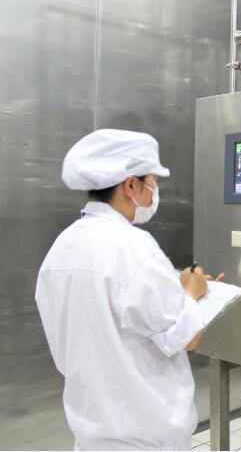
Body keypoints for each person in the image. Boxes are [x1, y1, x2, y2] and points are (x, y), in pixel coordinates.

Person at [35, 129, 222, 450]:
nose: (155, 191)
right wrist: (193, 294)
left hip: (92, 435)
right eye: (153, 181)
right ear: (131, 185)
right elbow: (184, 338)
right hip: (146, 438)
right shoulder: (133, 247)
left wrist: (179, 293)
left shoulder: (62, 247)